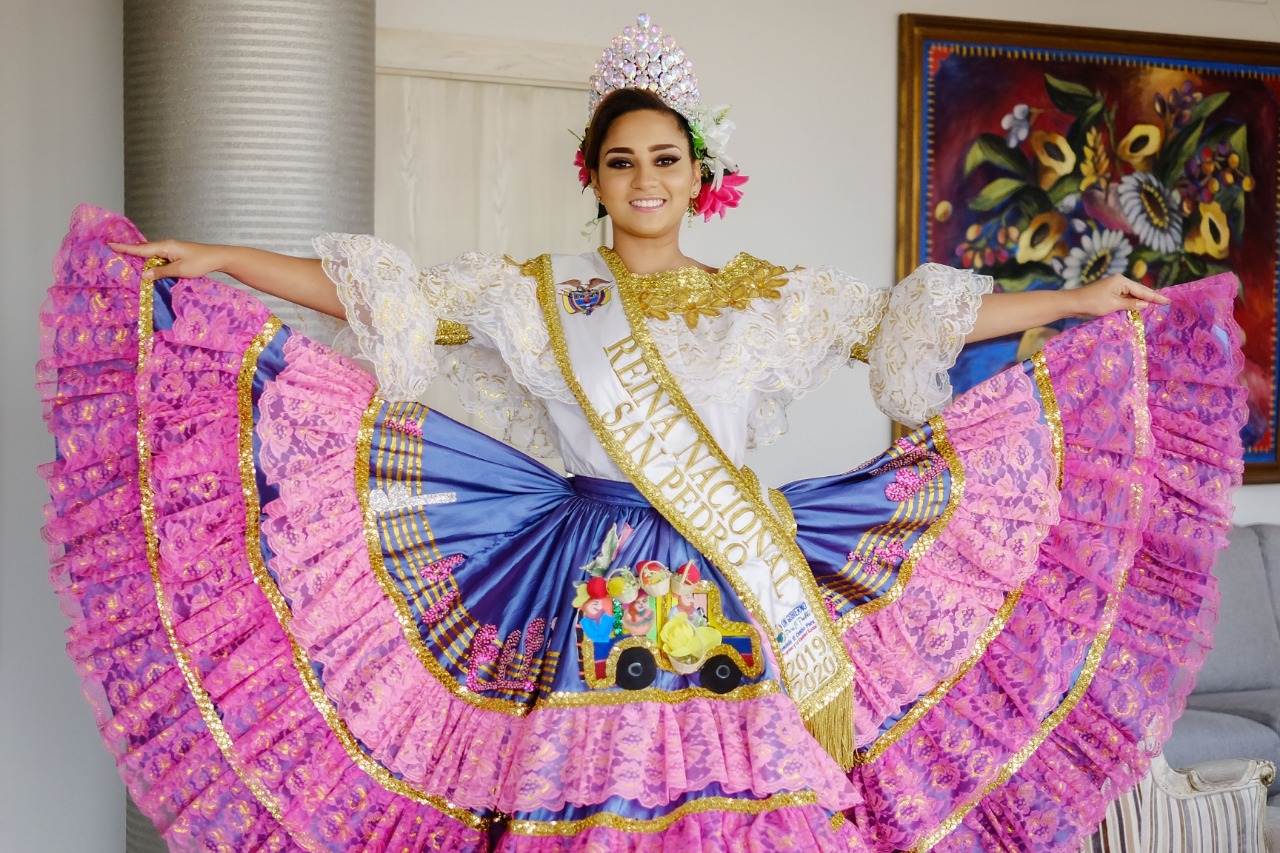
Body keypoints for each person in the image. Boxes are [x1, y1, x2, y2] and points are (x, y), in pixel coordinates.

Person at [37, 14, 1244, 853]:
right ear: (596, 178)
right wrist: (222, 259)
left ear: (700, 173)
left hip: (739, 580)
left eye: (665, 157)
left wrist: (1079, 299)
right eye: (622, 161)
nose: (644, 179)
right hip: (582, 576)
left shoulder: (774, 295)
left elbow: (916, 317)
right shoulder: (533, 288)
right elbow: (381, 295)